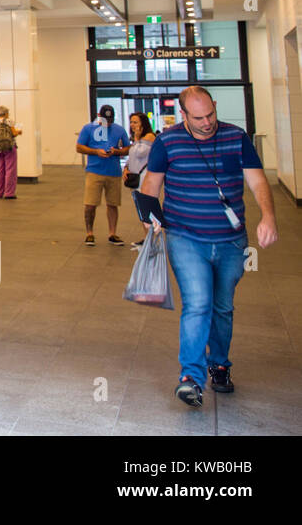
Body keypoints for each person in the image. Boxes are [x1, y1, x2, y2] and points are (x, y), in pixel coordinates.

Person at [138, 86, 277, 408]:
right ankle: (191, 377)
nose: (206, 123)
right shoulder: (168, 141)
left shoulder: (236, 137)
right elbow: (152, 183)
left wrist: (268, 216)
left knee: (222, 307)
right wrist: (149, 219)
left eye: (210, 114)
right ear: (183, 114)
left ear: (215, 106)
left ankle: (220, 364)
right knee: (198, 303)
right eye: (198, 118)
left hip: (231, 241)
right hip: (185, 238)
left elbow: (256, 180)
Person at [74, 104, 130, 246]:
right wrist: (96, 151)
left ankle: (112, 233)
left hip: (114, 172)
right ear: (99, 117)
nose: (108, 123)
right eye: (105, 120)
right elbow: (79, 147)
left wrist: (116, 152)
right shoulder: (88, 129)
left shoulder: (119, 130)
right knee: (90, 204)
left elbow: (128, 148)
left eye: (110, 120)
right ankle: (90, 233)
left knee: (113, 204)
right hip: (94, 171)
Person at [123, 111, 157, 246]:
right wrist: (126, 168)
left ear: (143, 123)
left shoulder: (149, 137)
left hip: (145, 177)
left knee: (146, 208)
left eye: (135, 122)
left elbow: (140, 152)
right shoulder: (137, 138)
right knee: (141, 208)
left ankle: (153, 238)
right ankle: (147, 237)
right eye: (131, 122)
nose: (132, 125)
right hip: (136, 176)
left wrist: (136, 138)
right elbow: (132, 156)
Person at [0, 105, 22, 199]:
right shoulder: (9, 121)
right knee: (10, 169)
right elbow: (14, 133)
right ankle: (9, 193)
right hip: (9, 147)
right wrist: (19, 132)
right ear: (6, 113)